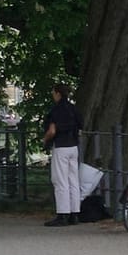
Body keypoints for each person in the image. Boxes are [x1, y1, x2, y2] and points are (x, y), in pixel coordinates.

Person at [43, 82, 82, 226]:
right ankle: (75, 213)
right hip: (74, 146)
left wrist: (45, 139)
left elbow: (52, 130)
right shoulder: (73, 109)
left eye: (53, 93)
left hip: (61, 146)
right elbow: (81, 125)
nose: (53, 95)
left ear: (58, 93)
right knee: (73, 180)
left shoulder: (56, 110)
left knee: (60, 180)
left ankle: (62, 213)